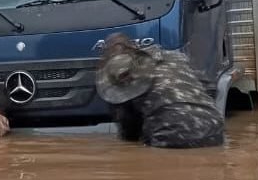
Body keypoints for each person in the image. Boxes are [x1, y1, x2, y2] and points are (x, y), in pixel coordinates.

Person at [94, 33, 224, 148]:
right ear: (134, 46)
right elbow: (209, 87)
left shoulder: (122, 75)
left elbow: (130, 132)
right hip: (215, 130)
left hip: (171, 135)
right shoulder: (175, 57)